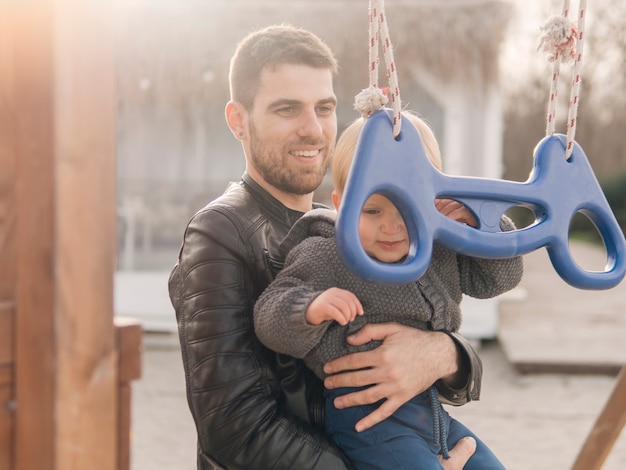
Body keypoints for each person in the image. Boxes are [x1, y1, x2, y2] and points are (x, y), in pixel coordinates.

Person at [169, 24, 482, 470]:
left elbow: (442, 325)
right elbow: (235, 429)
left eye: (324, 107)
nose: (313, 129)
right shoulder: (219, 234)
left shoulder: (352, 226)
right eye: (287, 109)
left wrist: (446, 353)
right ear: (239, 120)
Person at [253, 110, 524, 469]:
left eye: (408, 208)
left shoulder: (439, 245)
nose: (392, 226)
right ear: (339, 206)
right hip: (367, 417)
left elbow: (501, 278)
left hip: (431, 411)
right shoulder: (326, 253)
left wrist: (480, 224)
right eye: (373, 210)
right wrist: (310, 306)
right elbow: (268, 315)